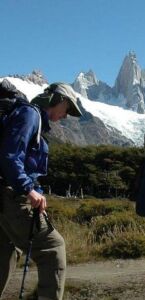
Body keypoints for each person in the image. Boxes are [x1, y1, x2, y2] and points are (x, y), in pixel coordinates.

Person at [0, 82, 82, 300]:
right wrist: (29, 190)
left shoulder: (27, 116)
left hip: (4, 197)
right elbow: (10, 156)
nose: (65, 116)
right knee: (53, 249)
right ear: (59, 101)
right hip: (11, 196)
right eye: (67, 109)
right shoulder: (30, 115)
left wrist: (33, 189)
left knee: (6, 255)